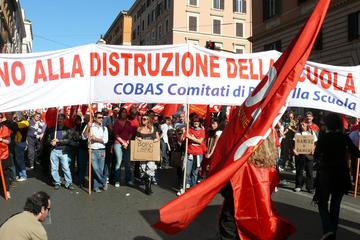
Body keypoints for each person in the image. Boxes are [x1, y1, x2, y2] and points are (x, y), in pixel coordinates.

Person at [313, 113, 360, 240]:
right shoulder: (344, 137)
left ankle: (328, 229)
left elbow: (316, 155)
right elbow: (356, 153)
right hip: (341, 173)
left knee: (322, 203)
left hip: (326, 173)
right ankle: (332, 230)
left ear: (328, 124)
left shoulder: (324, 138)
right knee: (335, 204)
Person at [47, 113, 75, 190]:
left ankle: (68, 183)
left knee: (66, 168)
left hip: (63, 151)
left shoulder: (68, 129)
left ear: (64, 120)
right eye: (58, 118)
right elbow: (48, 139)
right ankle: (57, 182)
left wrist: (59, 141)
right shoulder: (53, 129)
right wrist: (51, 142)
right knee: (54, 168)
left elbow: (69, 140)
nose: (59, 120)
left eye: (61, 118)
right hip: (54, 151)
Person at [82, 111, 109, 193]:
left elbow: (105, 140)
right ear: (94, 118)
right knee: (95, 168)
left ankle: (96, 186)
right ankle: (104, 181)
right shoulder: (90, 126)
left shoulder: (104, 128)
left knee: (99, 169)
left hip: (101, 150)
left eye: (102, 117)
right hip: (92, 150)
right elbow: (84, 137)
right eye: (99, 117)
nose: (101, 119)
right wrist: (88, 127)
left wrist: (96, 139)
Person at [136, 114, 160, 194]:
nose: (143, 120)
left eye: (145, 119)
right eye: (142, 119)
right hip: (142, 152)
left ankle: (148, 188)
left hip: (151, 151)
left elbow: (158, 138)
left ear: (149, 120)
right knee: (143, 169)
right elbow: (136, 139)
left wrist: (156, 140)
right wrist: (137, 139)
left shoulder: (154, 128)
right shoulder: (139, 129)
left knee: (151, 167)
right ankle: (146, 182)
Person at [293, 121, 317, 193]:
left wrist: (313, 149)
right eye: (300, 124)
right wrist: (294, 150)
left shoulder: (312, 132)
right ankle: (298, 186)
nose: (301, 126)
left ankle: (310, 187)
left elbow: (315, 143)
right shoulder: (297, 133)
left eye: (303, 124)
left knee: (309, 171)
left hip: (309, 155)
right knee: (299, 171)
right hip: (300, 155)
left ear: (307, 125)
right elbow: (294, 144)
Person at [113, 108, 133, 187]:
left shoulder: (128, 122)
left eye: (125, 112)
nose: (124, 114)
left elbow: (131, 133)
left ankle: (128, 180)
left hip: (127, 143)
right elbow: (116, 134)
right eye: (122, 112)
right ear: (120, 113)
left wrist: (127, 141)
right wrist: (123, 142)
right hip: (118, 143)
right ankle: (117, 180)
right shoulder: (116, 122)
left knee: (128, 162)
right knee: (119, 162)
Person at [186, 115, 206, 188]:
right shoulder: (189, 130)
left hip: (198, 154)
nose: (196, 123)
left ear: (200, 122)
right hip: (190, 153)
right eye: (194, 121)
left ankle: (193, 186)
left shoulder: (202, 131)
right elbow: (185, 138)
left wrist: (191, 137)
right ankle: (186, 185)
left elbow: (200, 141)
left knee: (195, 172)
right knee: (187, 172)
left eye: (197, 121)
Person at [0, 121, 11, 198]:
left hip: (4, 154)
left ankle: (6, 190)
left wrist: (1, 139)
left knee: (6, 173)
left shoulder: (5, 128)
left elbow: (8, 141)